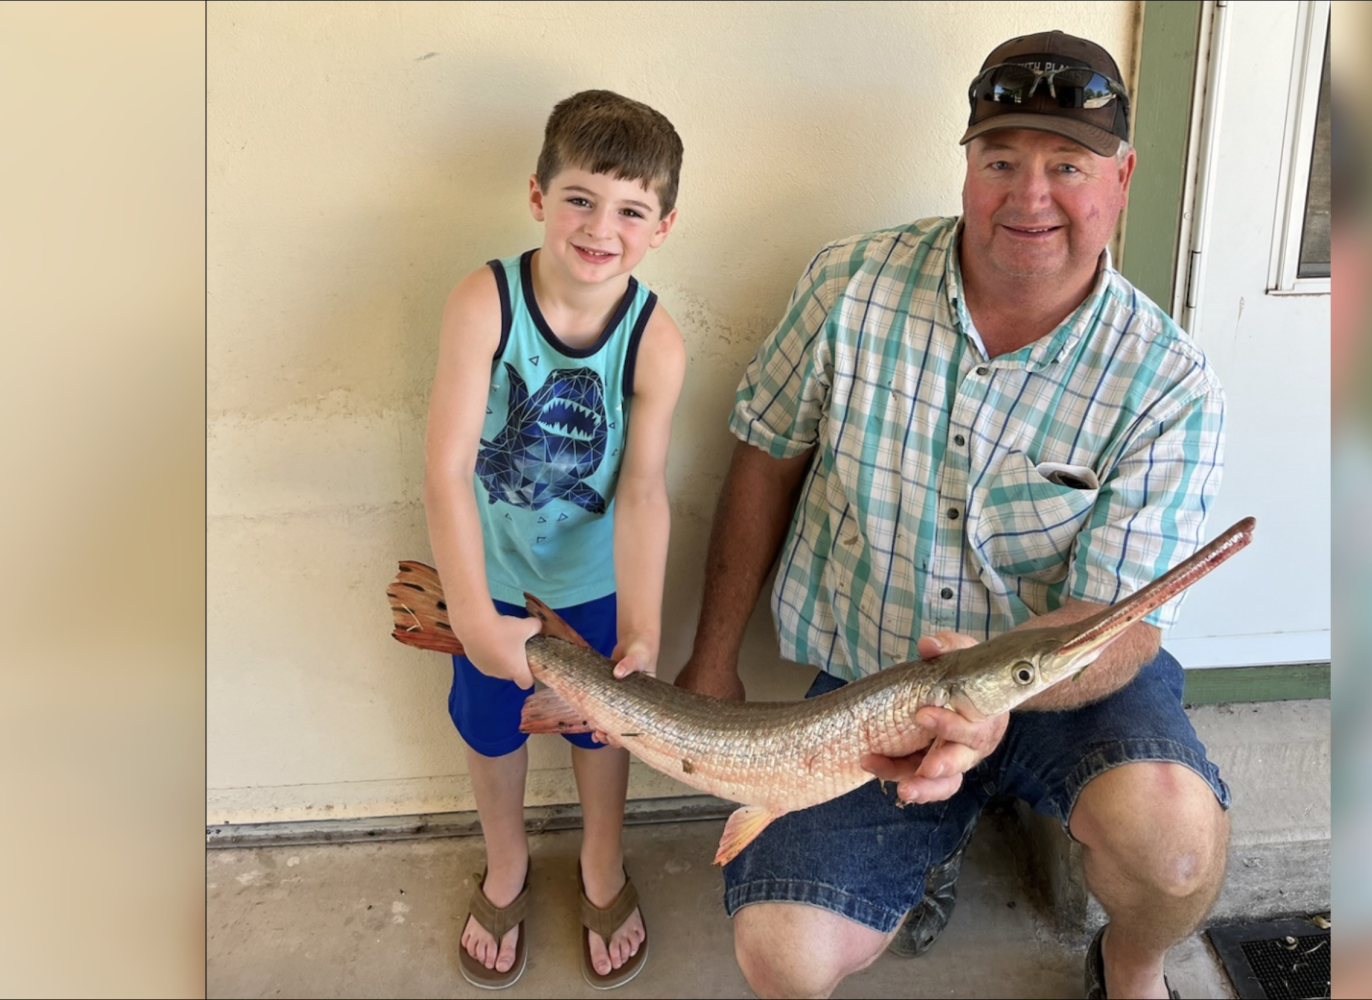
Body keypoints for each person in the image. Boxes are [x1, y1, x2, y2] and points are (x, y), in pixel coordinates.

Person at [674, 31, 1229, 1000]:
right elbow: (766, 457)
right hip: (873, 685)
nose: (1030, 196)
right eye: (1001, 160)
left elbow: (1123, 622)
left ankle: (1132, 966)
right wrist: (712, 659)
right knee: (782, 953)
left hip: (1065, 683)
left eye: (1068, 165)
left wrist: (988, 700)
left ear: (1123, 177)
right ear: (967, 166)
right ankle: (929, 836)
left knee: (1173, 848)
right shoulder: (849, 286)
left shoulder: (1168, 381)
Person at [423, 89, 686, 990]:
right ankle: (506, 862)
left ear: (662, 227)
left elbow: (643, 491)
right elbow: (446, 471)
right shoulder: (483, 301)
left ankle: (601, 861)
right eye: (580, 198)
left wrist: (641, 627)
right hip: (488, 577)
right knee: (491, 728)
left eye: (630, 210)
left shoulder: (654, 342)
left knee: (601, 734)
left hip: (595, 582)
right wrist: (472, 616)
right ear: (538, 196)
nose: (600, 227)